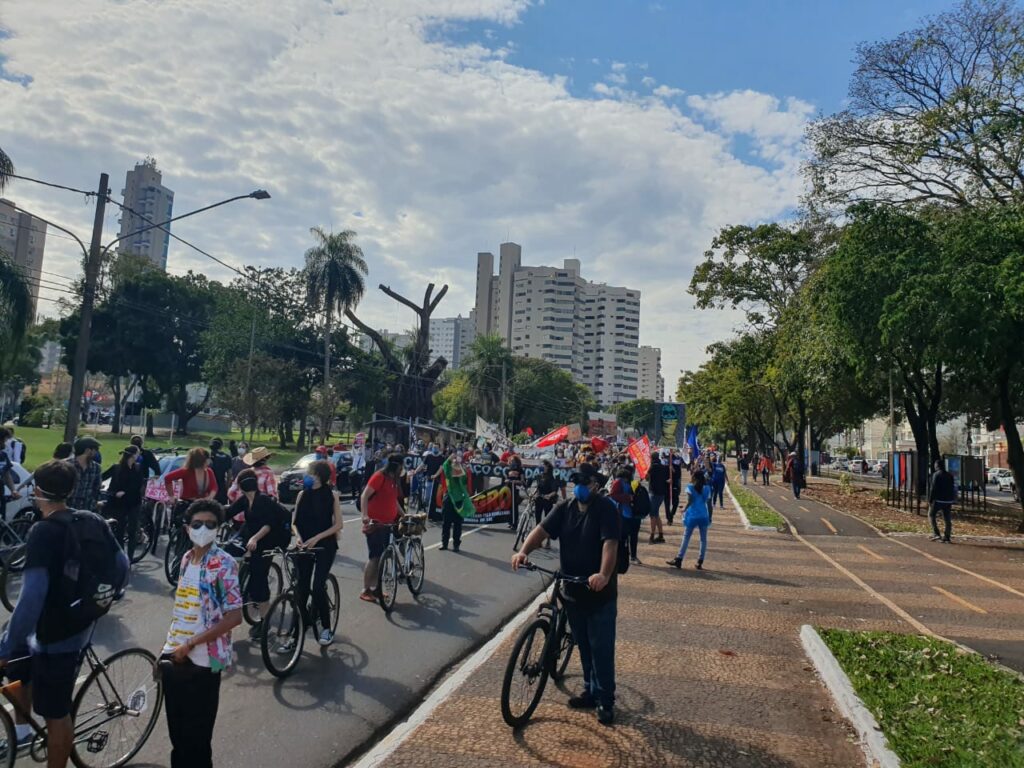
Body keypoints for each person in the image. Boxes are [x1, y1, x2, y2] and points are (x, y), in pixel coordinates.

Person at [0, 460, 129, 768]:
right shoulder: (91, 519)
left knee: (56, 713)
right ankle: (21, 731)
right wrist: (106, 597)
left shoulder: (42, 532)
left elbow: (31, 598)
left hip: (57, 633)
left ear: (36, 491)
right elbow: (122, 564)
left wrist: (5, 646)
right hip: (78, 619)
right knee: (19, 670)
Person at [512, 463, 620, 725]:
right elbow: (541, 531)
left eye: (585, 481)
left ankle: (605, 700)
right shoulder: (566, 507)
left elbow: (610, 544)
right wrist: (524, 551)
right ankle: (589, 691)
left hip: (599, 594)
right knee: (583, 645)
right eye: (576, 481)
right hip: (572, 589)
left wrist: (603, 575)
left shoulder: (606, 509)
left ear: (595, 484)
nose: (580, 486)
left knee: (601, 649)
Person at [159, 499, 242, 768]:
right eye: (197, 524)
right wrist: (167, 649)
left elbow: (234, 616)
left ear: (219, 528)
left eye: (210, 524)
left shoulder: (224, 563)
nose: (204, 529)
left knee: (197, 739)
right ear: (187, 529)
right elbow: (182, 610)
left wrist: (192, 643)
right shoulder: (185, 560)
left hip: (204, 662)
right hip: (176, 656)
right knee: (177, 735)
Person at [225, 468, 287, 639]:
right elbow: (229, 512)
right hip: (250, 537)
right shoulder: (246, 500)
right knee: (228, 552)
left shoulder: (264, 500)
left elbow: (269, 524)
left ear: (243, 485)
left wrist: (255, 538)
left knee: (258, 582)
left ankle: (265, 622)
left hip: (266, 541)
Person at [291, 460, 343, 645]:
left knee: (318, 586)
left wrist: (318, 538)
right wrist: (298, 537)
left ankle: (327, 628)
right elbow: (294, 522)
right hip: (304, 546)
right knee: (300, 589)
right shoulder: (302, 495)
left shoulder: (332, 496)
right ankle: (296, 631)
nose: (307, 476)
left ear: (320, 476)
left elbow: (338, 525)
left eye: (311, 473)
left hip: (325, 546)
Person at [359, 453, 403, 602]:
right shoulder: (379, 477)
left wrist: (404, 515)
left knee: (382, 557)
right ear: (397, 466)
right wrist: (364, 515)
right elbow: (365, 495)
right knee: (375, 557)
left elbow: (393, 501)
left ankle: (376, 589)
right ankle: (365, 590)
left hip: (387, 524)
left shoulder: (393, 480)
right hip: (375, 524)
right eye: (402, 466)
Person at [666, 470, 713, 570]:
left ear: (694, 477)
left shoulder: (690, 487)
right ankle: (700, 561)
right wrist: (710, 517)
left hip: (692, 515)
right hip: (704, 515)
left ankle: (679, 558)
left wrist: (684, 509)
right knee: (703, 539)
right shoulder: (707, 488)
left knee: (686, 537)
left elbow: (690, 501)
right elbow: (709, 504)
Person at [102, 445, 145, 551]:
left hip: (134, 502)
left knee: (132, 531)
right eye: (137, 453)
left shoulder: (138, 467)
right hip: (119, 503)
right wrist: (114, 492)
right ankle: (121, 555)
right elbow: (102, 477)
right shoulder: (117, 468)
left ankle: (129, 558)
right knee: (119, 531)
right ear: (133, 455)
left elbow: (139, 484)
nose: (138, 455)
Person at [165, 448, 218, 522]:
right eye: (207, 458)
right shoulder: (186, 471)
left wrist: (208, 498)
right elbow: (167, 478)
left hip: (202, 506)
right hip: (187, 505)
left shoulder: (209, 471)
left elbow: (214, 487)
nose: (209, 461)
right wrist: (171, 496)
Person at [439, 455, 471, 552]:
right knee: (446, 523)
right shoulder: (449, 471)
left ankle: (456, 544)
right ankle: (444, 543)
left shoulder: (464, 472)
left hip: (459, 499)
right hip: (449, 498)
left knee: (457, 523)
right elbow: (445, 467)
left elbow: (467, 484)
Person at [609, 467, 640, 565]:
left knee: (630, 537)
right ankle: (623, 556)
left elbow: (613, 495)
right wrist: (628, 497)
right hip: (626, 513)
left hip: (630, 513)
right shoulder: (619, 482)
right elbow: (613, 495)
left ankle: (631, 556)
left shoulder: (631, 482)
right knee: (624, 537)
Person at [66, 437, 102, 513]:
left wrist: (94, 504)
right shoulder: (66, 466)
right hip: (67, 509)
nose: (96, 453)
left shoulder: (96, 468)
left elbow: (97, 489)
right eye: (95, 450)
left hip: (87, 510)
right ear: (87, 450)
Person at [928, 459, 956, 543]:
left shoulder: (936, 475)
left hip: (938, 500)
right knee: (947, 518)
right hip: (948, 500)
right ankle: (947, 536)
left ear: (936, 466)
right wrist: (952, 498)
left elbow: (933, 488)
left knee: (931, 515)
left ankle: (936, 533)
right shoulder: (950, 475)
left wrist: (930, 499)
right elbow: (953, 488)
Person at [0, 428, 21, 522]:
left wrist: (13, 490)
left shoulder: (3, 456)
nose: (4, 445)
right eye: (3, 441)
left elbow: (6, 474)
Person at [646, 454, 668, 543]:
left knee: (652, 515)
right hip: (661, 493)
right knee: (656, 514)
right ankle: (661, 535)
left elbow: (647, 478)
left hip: (654, 493)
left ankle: (652, 536)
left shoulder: (652, 467)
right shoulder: (663, 467)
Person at [208, 439, 233, 505]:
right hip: (221, 485)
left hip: (210, 485)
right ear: (221, 447)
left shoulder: (209, 456)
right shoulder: (227, 457)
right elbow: (229, 474)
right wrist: (227, 486)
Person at [668, 450, 683, 525]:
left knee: (676, 501)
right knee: (669, 502)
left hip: (676, 482)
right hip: (669, 484)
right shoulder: (668, 459)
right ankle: (669, 518)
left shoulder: (678, 458)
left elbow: (678, 472)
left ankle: (671, 515)